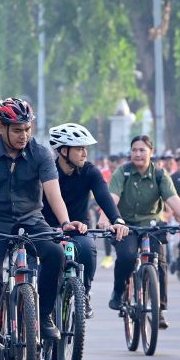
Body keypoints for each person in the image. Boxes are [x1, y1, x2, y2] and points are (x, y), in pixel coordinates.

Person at [0, 98, 87, 360]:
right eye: (17, 130)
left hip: (32, 221)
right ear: (1, 127)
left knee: (54, 254)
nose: (23, 135)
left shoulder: (39, 153)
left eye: (27, 129)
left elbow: (53, 193)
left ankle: (44, 316)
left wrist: (65, 223)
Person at [107, 134, 180, 328]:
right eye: (134, 150)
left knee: (160, 263)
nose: (138, 154)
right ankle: (118, 291)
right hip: (126, 225)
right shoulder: (122, 173)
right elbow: (111, 198)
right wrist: (104, 219)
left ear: (151, 152)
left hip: (152, 225)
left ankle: (159, 309)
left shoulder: (160, 174)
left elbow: (172, 198)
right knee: (126, 257)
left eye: (142, 150)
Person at [43, 123, 130, 318]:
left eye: (85, 148)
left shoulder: (90, 171)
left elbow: (103, 195)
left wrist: (117, 219)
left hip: (79, 228)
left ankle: (84, 293)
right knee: (42, 267)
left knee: (88, 249)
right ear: (64, 151)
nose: (85, 153)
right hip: (47, 229)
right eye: (80, 148)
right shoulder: (47, 171)